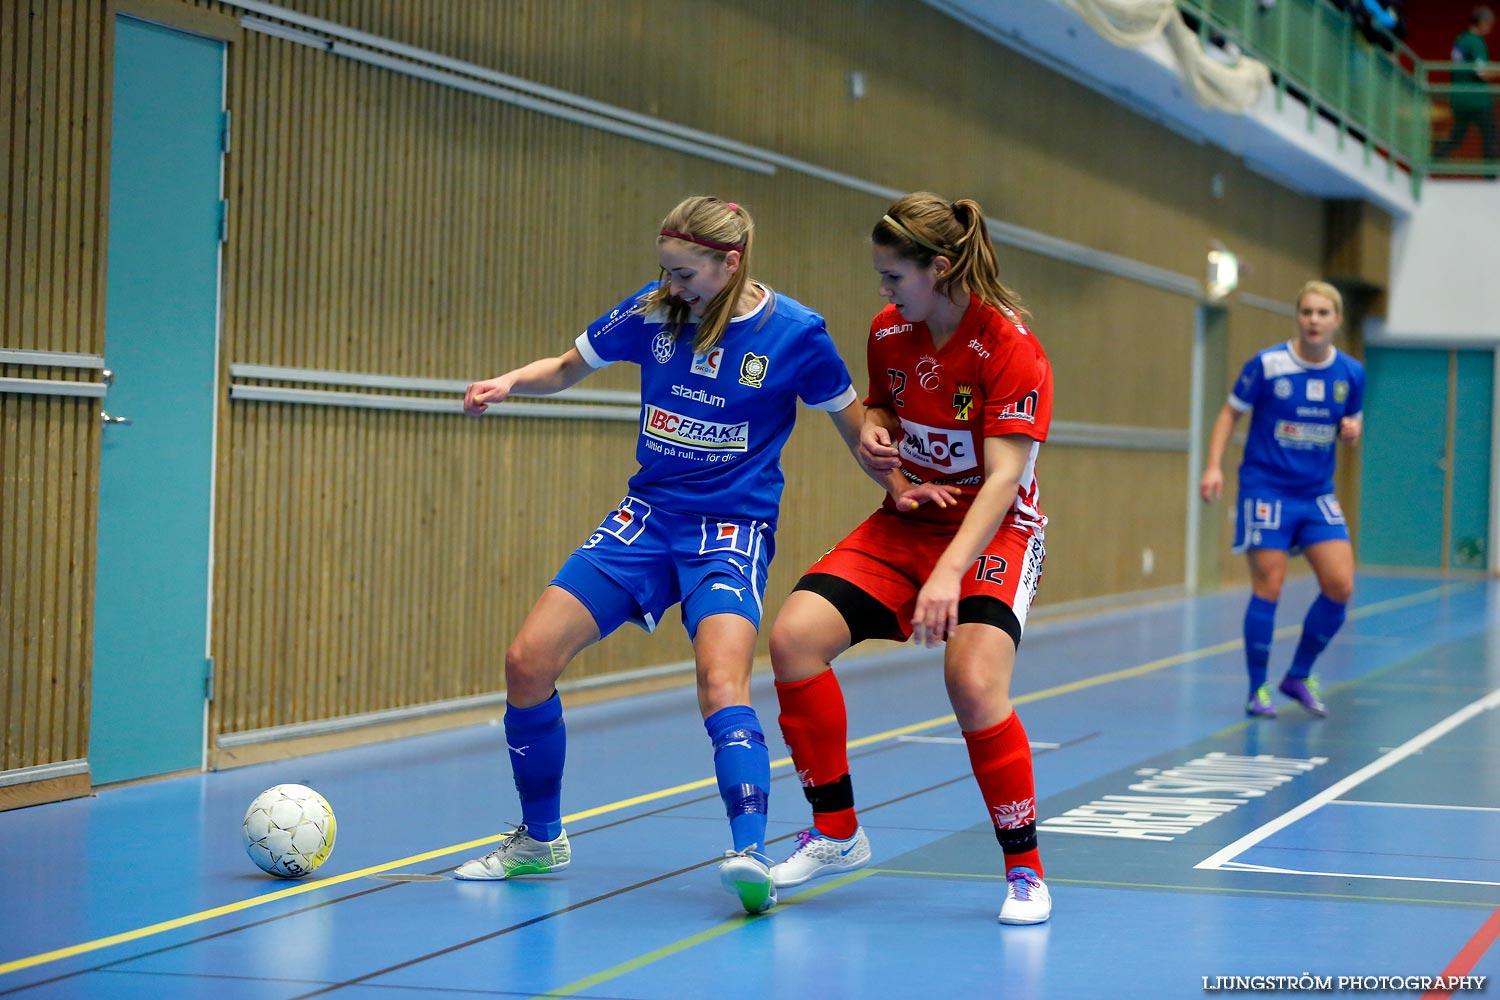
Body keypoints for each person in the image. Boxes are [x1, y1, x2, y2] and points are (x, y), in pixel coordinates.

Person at [457, 196, 889, 915]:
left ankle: (749, 854)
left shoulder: (796, 335)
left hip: (729, 528)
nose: (672, 286)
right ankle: (539, 840)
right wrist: (509, 383)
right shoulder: (654, 312)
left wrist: (900, 484)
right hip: (648, 519)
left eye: (685, 274)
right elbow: (567, 366)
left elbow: (855, 430)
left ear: (731, 262)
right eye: (665, 271)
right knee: (527, 661)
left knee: (722, 683)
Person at [766, 192, 1055, 925]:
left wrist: (950, 574)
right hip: (909, 520)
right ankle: (836, 830)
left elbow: (1001, 480)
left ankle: (1025, 871)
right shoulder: (891, 331)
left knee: (972, 679)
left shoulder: (1011, 348)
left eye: (894, 277)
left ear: (942, 266)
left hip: (995, 531)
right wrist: (875, 433)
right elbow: (886, 408)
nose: (884, 292)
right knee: (795, 637)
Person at [1199, 281, 1365, 719]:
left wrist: (1353, 431)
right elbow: (1230, 412)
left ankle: (1298, 675)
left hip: (1316, 494)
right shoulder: (1269, 365)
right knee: (1268, 586)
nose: (1314, 320)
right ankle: (1258, 689)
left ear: (1337, 320)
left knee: (1340, 585)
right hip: (1266, 488)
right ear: (1298, 317)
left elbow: (1352, 421)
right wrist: (1214, 465)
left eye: (1322, 313)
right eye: (1307, 312)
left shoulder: (1350, 372)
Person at [1433, 6, 1498, 167]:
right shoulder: (1476, 43)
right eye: (1489, 25)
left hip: (1459, 99)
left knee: (1456, 138)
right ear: (1482, 22)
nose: (1490, 29)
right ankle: (1492, 177)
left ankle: (1430, 162)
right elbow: (1482, 72)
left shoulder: (1460, 39)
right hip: (1478, 100)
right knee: (1490, 136)